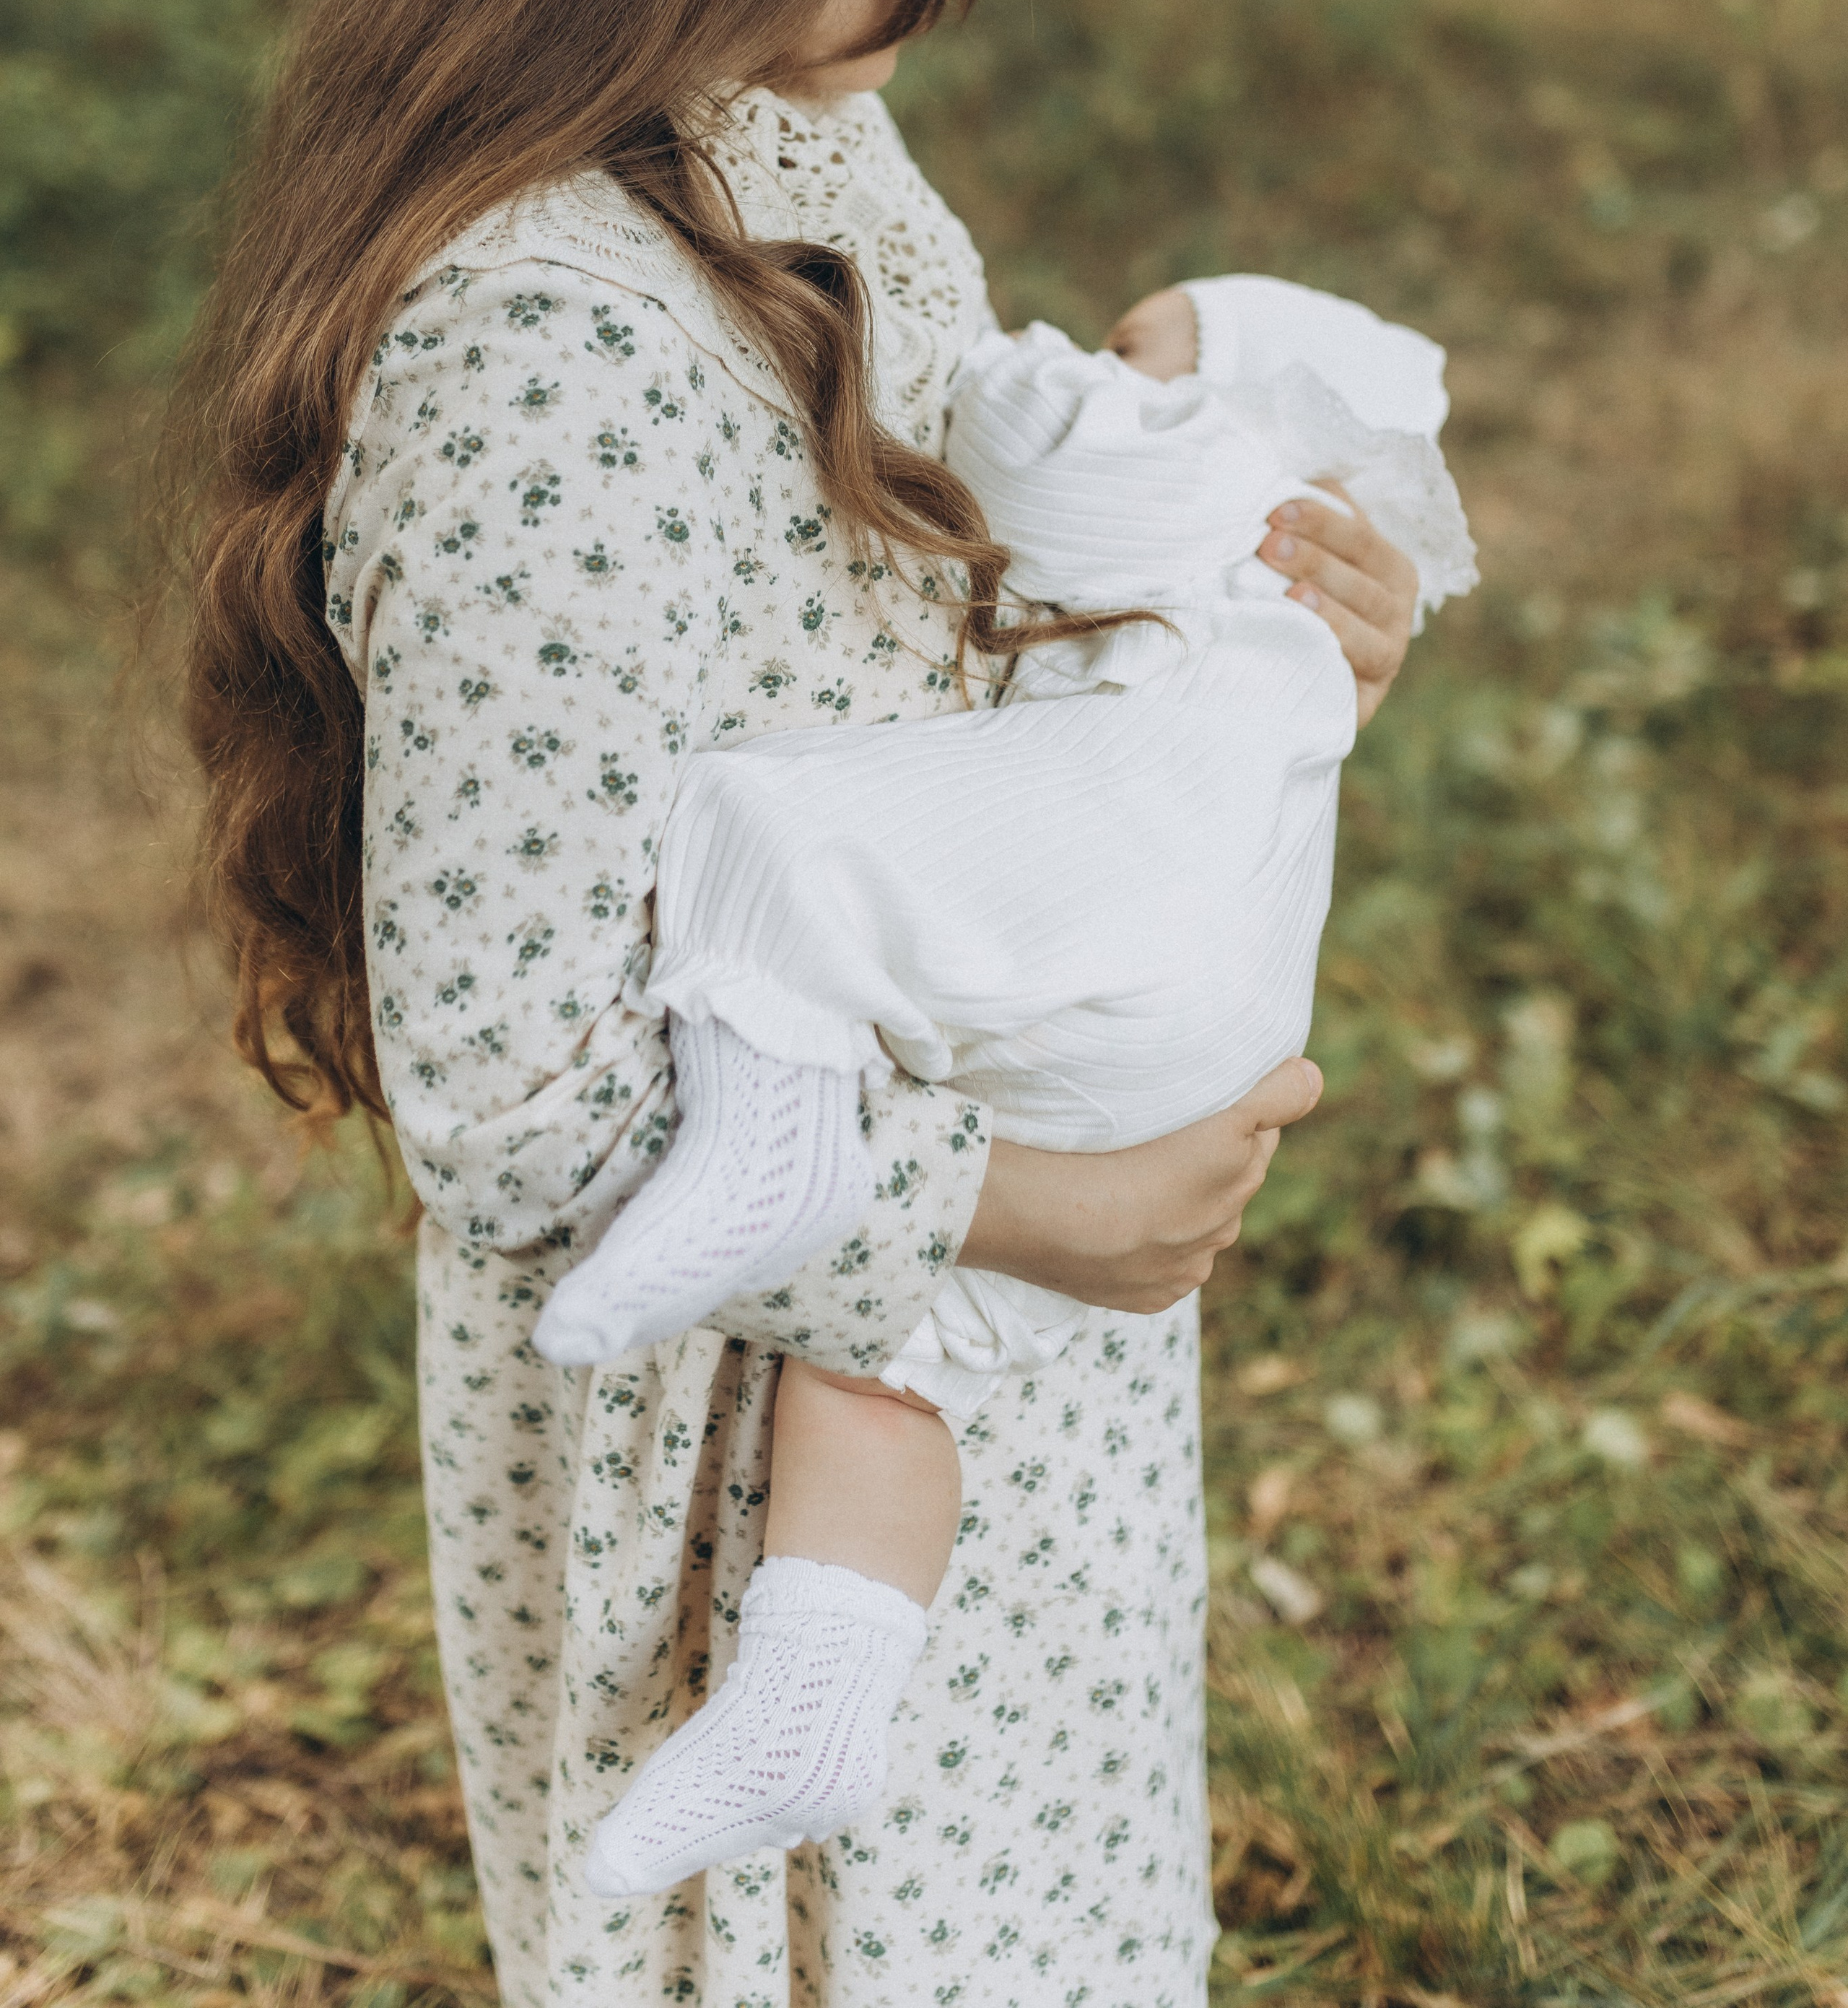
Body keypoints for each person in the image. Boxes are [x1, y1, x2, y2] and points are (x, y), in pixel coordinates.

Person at [174, 0, 1416, 2008]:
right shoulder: (535, 340)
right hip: (737, 1444)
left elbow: (917, 647)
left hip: (972, 1390)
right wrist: (1026, 1209)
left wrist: (1231, 656)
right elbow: (520, 1090)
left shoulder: (801, 169)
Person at [528, 271, 1475, 1895]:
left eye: (1134, 347)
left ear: (1246, 396)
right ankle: (813, 1699)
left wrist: (1025, 377)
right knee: (899, 1370)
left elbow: (1031, 447)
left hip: (1130, 930)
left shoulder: (1193, 459)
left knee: (764, 834)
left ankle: (772, 1146)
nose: (1081, 351)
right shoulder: (1244, 567)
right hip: (1190, 1014)